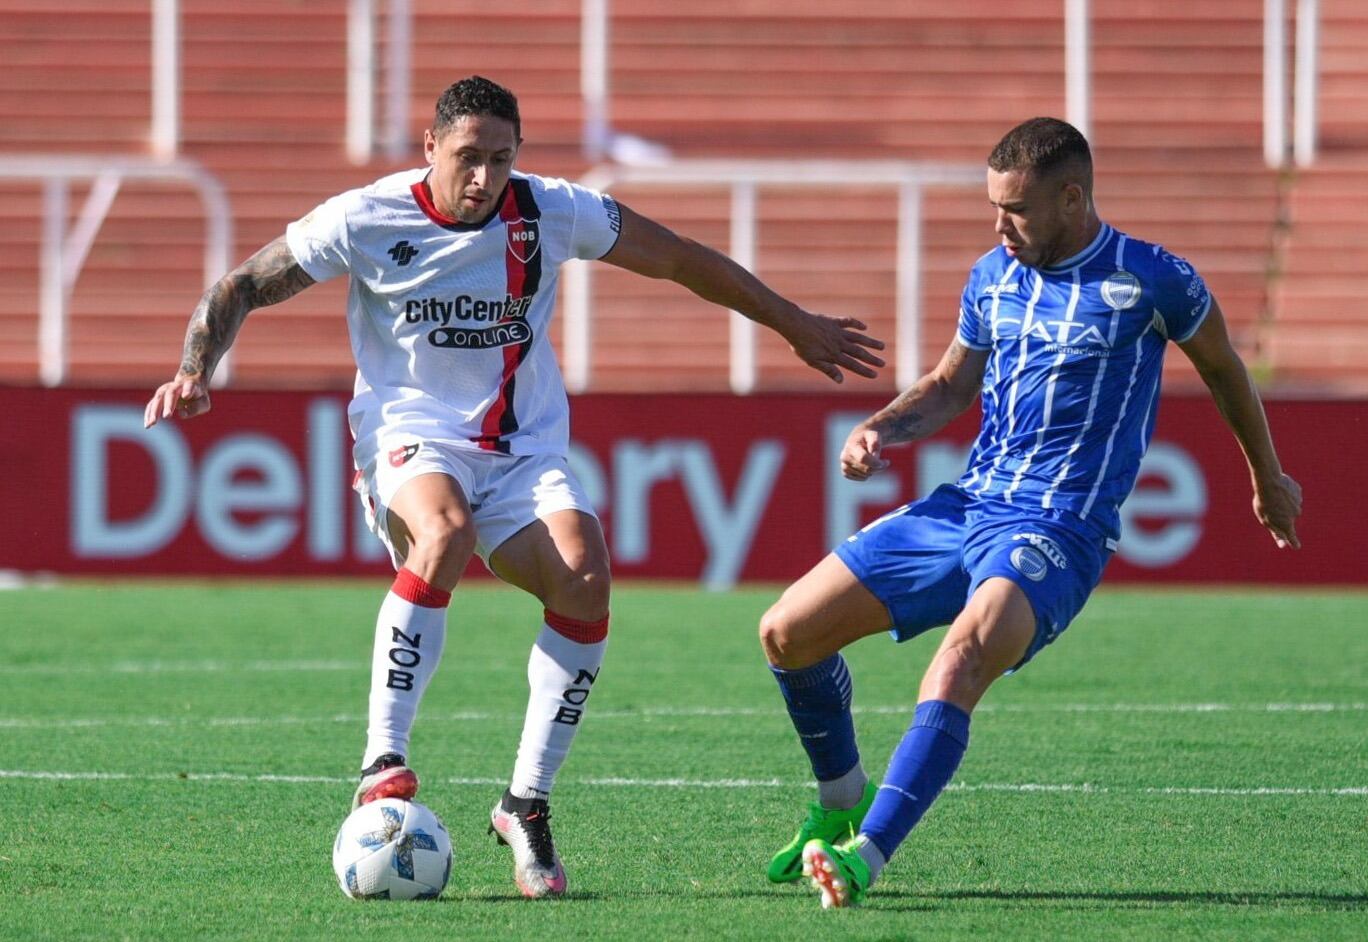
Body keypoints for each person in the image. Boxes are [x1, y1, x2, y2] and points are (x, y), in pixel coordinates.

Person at [142, 75, 886, 900]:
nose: (483, 177)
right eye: (467, 157)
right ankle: (381, 759)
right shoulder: (366, 217)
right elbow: (243, 284)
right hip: (409, 433)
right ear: (430, 148)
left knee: (586, 571)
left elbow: (679, 259)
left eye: (501, 159)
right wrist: (192, 370)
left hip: (522, 449)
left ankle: (524, 803)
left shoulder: (551, 210)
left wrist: (795, 324)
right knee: (445, 531)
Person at [757, 117, 1303, 909]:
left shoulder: (1152, 278)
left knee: (958, 661)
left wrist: (1267, 476)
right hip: (968, 504)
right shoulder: (991, 275)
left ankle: (866, 853)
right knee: (785, 631)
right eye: (993, 206)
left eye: (1014, 209)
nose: (998, 225)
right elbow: (951, 384)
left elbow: (1223, 369)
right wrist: (883, 427)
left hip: (1059, 528)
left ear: (1071, 198)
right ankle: (839, 801)